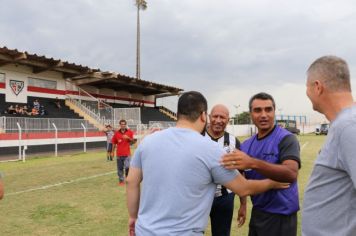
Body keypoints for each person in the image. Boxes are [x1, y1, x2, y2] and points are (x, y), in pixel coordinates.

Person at [126, 91, 289, 236]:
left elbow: (131, 181)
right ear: (204, 116)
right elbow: (243, 187)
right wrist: (272, 182)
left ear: (177, 114)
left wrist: (133, 216)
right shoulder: (210, 149)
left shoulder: (148, 141)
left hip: (144, 230)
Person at [221, 92, 300, 236]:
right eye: (258, 110)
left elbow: (291, 174)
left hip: (281, 216)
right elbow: (241, 179)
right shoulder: (246, 145)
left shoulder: (287, 139)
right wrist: (243, 205)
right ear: (250, 114)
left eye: (268, 109)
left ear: (274, 112)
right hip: (258, 213)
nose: (264, 115)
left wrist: (253, 162)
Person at [302, 56, 356, 236]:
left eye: (307, 87)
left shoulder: (349, 127)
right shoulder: (344, 124)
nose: (307, 93)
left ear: (317, 87)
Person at [205, 104, 246, 236]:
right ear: (209, 117)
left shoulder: (234, 142)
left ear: (228, 120)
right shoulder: (197, 136)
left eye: (222, 117)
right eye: (215, 116)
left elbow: (241, 174)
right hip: (200, 196)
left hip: (225, 198)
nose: (218, 120)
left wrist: (243, 205)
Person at [112, 119, 134, 186]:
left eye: (124, 124)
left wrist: (128, 138)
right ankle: (121, 181)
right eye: (122, 124)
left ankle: (127, 178)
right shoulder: (116, 133)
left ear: (126, 125)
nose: (123, 125)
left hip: (127, 154)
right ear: (120, 125)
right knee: (120, 168)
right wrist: (112, 152)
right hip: (119, 154)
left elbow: (133, 142)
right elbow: (113, 143)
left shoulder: (130, 132)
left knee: (127, 167)